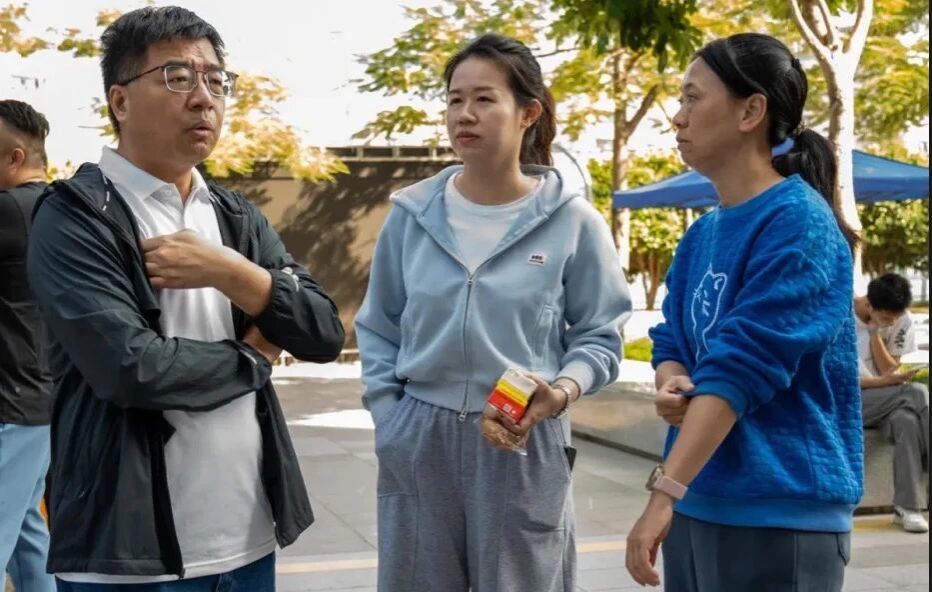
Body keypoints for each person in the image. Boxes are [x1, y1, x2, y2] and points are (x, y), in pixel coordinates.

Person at [26, 6, 344, 590]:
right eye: (177, 77)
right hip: (125, 557)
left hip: (248, 538)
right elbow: (132, 368)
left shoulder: (233, 215)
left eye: (216, 80)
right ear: (120, 101)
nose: (204, 98)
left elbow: (323, 332)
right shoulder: (75, 216)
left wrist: (235, 273)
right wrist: (255, 355)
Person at [356, 33, 631, 592]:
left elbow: (601, 335)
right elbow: (379, 326)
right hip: (421, 436)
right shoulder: (412, 216)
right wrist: (391, 419)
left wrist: (563, 391)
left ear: (528, 112)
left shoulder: (572, 220)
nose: (465, 114)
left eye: (484, 99)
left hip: (522, 433)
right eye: (455, 100)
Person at [625, 33, 862, 590]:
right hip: (699, 499)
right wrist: (671, 378)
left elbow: (742, 367)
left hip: (778, 515)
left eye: (692, 98)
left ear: (751, 111)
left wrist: (663, 494)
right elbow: (673, 339)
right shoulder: (703, 232)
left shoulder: (798, 222)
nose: (678, 117)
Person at [0, 99, 56, 592]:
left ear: (15, 158)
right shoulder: (59, 211)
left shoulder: (10, 210)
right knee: (26, 535)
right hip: (39, 400)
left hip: (11, 404)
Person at [855, 272, 929, 532]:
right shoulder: (842, 317)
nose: (893, 323)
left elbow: (890, 370)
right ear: (869, 304)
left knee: (906, 421)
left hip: (886, 401)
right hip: (850, 401)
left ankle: (907, 509)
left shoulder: (900, 319)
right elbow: (844, 380)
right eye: (887, 317)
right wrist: (884, 382)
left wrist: (876, 333)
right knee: (916, 392)